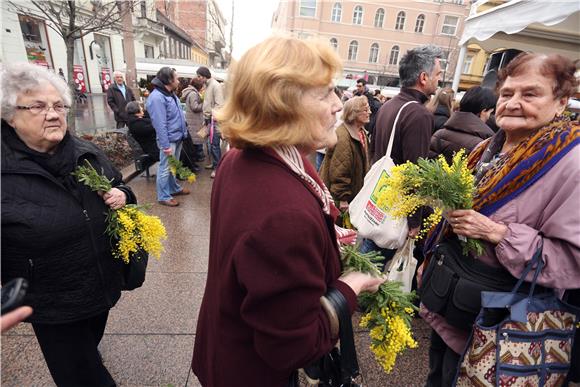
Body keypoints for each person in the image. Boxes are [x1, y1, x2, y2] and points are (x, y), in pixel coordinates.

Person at [191, 37, 385, 387]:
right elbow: (292, 347)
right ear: (282, 103)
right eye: (325, 93)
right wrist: (350, 287)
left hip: (225, 346)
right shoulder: (285, 215)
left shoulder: (245, 157)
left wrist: (327, 239)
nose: (338, 105)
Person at [421, 53, 580, 386]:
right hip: (453, 308)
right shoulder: (488, 149)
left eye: (530, 94)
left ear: (561, 102)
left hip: (503, 328)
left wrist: (497, 233)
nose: (513, 103)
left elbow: (571, 261)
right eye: (507, 94)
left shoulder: (570, 165)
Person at [1, 62, 137, 386]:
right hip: (52, 303)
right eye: (37, 106)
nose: (53, 114)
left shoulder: (85, 153)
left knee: (89, 348)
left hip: (99, 288)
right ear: (9, 114)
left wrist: (123, 193)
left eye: (58, 105)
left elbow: (121, 188)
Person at [365, 45, 442, 262]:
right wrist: (415, 220)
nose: (439, 80)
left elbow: (374, 150)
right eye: (437, 74)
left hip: (380, 198)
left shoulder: (389, 106)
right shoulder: (418, 114)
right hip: (395, 210)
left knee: (366, 261)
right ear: (424, 77)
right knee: (374, 271)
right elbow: (414, 171)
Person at [319, 95, 370, 218]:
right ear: (354, 114)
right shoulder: (343, 136)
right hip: (340, 199)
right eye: (365, 110)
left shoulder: (361, 132)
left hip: (352, 193)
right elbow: (339, 171)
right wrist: (343, 198)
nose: (370, 112)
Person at [146, 66, 189, 207]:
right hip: (169, 140)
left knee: (173, 167)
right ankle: (163, 196)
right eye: (176, 78)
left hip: (176, 137)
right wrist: (165, 146)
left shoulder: (169, 93)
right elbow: (160, 125)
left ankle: (173, 188)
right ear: (169, 80)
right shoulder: (157, 97)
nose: (178, 80)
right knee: (165, 168)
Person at [429, 86, 496, 163]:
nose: (489, 117)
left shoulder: (439, 134)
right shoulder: (482, 145)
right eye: (490, 112)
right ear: (483, 111)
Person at [196, 66, 224, 178]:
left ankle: (218, 168)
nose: (197, 78)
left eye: (199, 76)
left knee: (214, 145)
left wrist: (212, 117)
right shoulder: (207, 85)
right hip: (209, 119)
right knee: (210, 144)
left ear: (204, 76)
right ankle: (214, 164)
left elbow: (219, 104)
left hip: (214, 120)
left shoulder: (215, 85)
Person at [182, 77, 206, 170]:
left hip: (193, 121)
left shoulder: (191, 92)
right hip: (194, 121)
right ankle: (193, 164)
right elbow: (195, 107)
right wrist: (205, 104)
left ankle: (194, 163)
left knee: (194, 143)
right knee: (195, 144)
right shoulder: (193, 93)